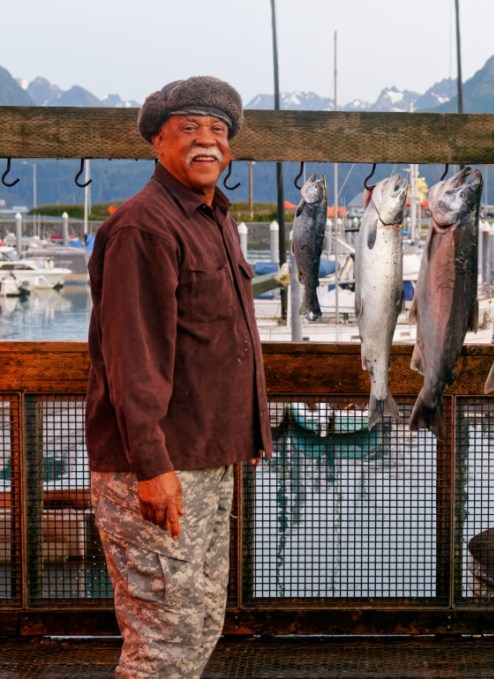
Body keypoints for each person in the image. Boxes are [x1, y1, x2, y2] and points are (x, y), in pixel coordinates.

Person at [86, 76, 272, 678]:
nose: (207, 142)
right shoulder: (145, 226)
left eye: (218, 131)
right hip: (160, 464)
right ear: (157, 143)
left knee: (194, 626)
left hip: (202, 460)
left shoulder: (213, 217)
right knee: (164, 639)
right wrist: (152, 465)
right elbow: (132, 357)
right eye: (189, 129)